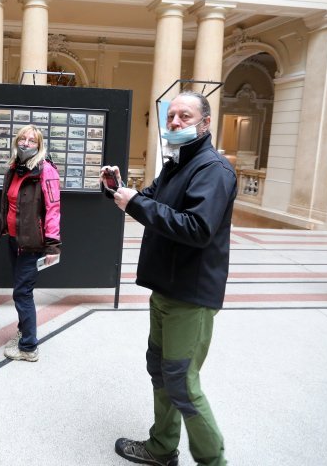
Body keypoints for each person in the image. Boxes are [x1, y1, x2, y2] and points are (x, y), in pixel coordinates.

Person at [103, 91, 237, 466]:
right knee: (160, 370)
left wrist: (137, 203)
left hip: (190, 298)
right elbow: (148, 199)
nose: (175, 122)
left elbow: (197, 227)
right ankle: (162, 448)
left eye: (185, 116)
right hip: (165, 289)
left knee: (181, 383)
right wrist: (116, 189)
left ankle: (214, 462)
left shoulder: (213, 169)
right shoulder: (176, 164)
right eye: (171, 116)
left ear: (205, 123)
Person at [0, 124, 61, 362]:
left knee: (22, 293)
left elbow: (53, 210)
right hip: (14, 239)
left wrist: (53, 245)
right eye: (22, 139)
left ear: (40, 145)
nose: (26, 143)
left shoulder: (46, 171)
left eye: (32, 141)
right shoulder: (15, 168)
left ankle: (28, 347)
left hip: (32, 243)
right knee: (21, 290)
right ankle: (24, 331)